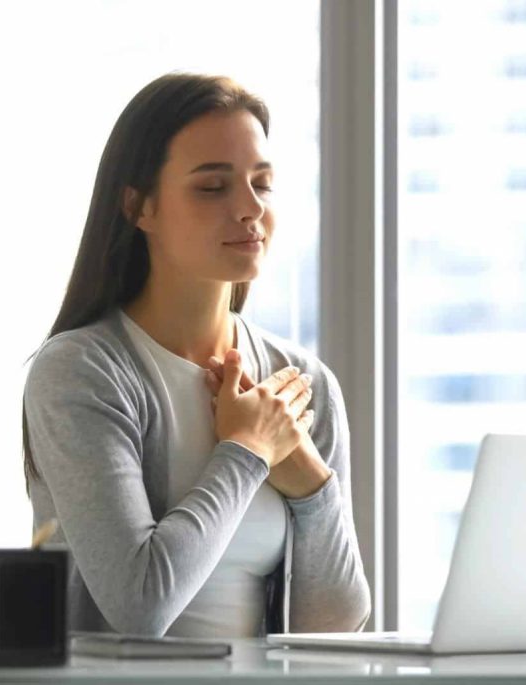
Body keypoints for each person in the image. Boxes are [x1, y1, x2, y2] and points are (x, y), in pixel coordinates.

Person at [22, 72, 370, 638]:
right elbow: (139, 608)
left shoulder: (302, 385)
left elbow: (335, 623)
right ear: (139, 207)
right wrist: (247, 449)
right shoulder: (81, 371)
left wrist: (307, 478)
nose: (250, 208)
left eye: (262, 183)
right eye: (213, 187)